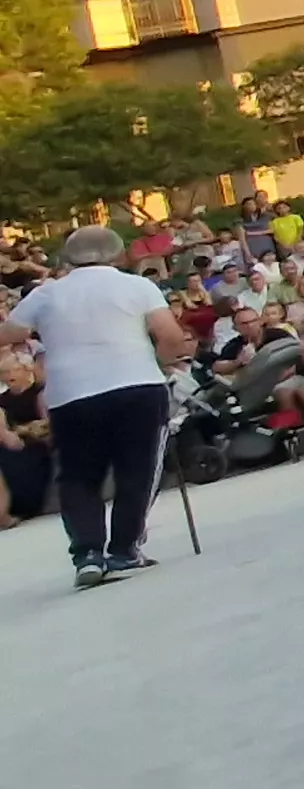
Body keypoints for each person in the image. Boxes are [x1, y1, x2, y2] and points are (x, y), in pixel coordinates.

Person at [0, 229, 187, 587]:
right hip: (135, 385)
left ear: (69, 259)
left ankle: (87, 553)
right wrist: (159, 361)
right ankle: (123, 550)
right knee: (137, 469)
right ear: (118, 255)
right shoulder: (137, 286)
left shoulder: (47, 293)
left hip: (72, 393)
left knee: (77, 475)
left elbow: (8, 333)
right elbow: (171, 336)